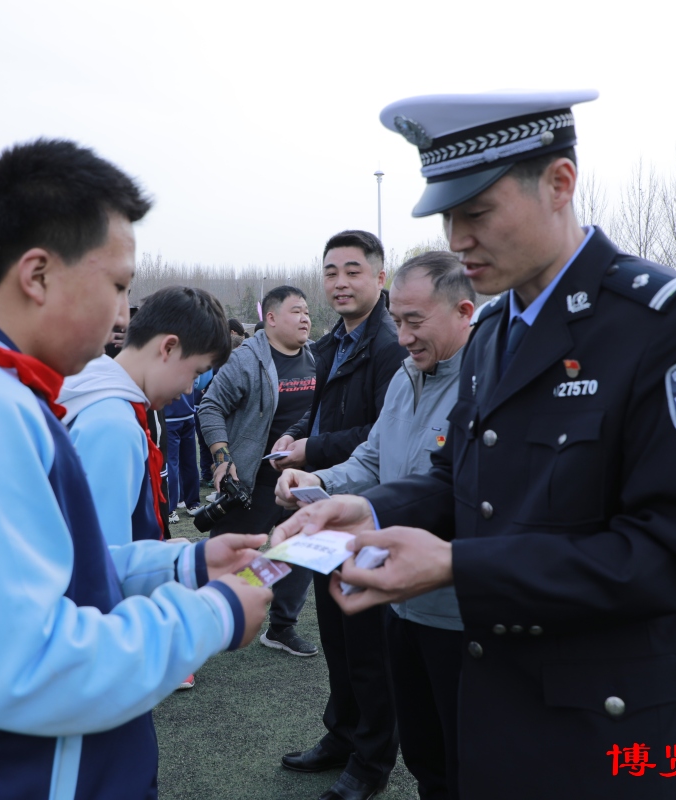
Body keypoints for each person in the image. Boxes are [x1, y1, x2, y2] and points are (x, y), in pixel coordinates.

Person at [273, 90, 676, 800]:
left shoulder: (675, 323)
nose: (457, 237)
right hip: (499, 708)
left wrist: (457, 566)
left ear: (560, 183)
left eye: (477, 212)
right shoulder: (496, 332)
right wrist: (366, 510)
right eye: (447, 216)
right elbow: (455, 476)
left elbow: (670, 555)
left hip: (614, 735)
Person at [0, 137, 272, 798]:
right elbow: (26, 668)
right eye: (118, 286)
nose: (121, 316)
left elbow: (58, 571)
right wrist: (214, 614)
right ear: (38, 275)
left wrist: (187, 566)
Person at [276, 251, 473, 799]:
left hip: (459, 607)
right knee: (424, 752)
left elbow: (455, 490)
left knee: (469, 759)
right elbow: (369, 459)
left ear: (463, 312)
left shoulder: (488, 385)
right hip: (396, 595)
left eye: (415, 321)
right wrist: (315, 482)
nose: (403, 336)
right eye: (399, 320)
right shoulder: (407, 376)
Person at [273, 230, 407, 800]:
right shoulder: (336, 340)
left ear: (380, 277)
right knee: (335, 629)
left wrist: (314, 452)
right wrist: (296, 437)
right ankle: (342, 735)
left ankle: (372, 761)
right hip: (326, 499)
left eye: (353, 270)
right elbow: (324, 415)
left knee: (369, 641)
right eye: (331, 272)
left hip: (373, 508)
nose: (340, 282)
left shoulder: (391, 343)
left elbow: (382, 434)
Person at [61, 285, 232, 691]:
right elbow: (100, 569)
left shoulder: (97, 395)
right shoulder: (113, 424)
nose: (190, 389)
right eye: (194, 372)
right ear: (168, 348)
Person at [198, 285, 319, 657]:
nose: (305, 318)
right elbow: (210, 407)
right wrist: (223, 458)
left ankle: (281, 627)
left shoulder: (316, 358)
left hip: (299, 482)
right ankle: (207, 623)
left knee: (297, 555)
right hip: (252, 482)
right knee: (235, 557)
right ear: (270, 318)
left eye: (307, 312)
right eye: (296, 311)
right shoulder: (247, 359)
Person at [164, 386, 203, 521]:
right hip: (188, 413)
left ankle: (170, 509)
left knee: (171, 463)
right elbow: (200, 383)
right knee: (190, 461)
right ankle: (192, 504)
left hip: (168, 416)